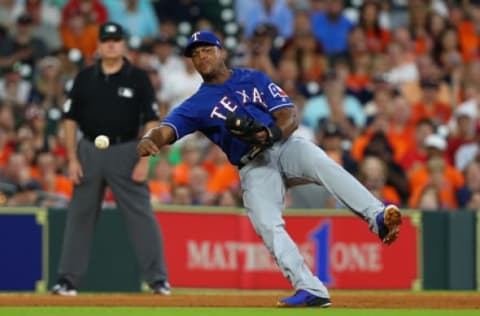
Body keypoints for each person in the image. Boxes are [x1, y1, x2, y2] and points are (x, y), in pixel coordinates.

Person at [136, 30, 402, 307]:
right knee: (266, 223)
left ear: (221, 51)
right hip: (253, 164)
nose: (201, 56)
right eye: (195, 53)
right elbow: (166, 129)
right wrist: (150, 139)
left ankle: (378, 217)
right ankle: (311, 289)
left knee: (322, 163)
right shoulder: (196, 104)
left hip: (284, 145)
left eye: (207, 49)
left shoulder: (253, 78)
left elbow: (289, 115)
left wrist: (269, 134)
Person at [51, 22, 170, 296]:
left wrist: (144, 160)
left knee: (141, 216)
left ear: (124, 45)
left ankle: (158, 280)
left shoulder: (138, 77)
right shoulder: (84, 78)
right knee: (79, 216)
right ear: (99, 46)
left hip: (127, 150)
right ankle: (67, 281)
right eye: (107, 40)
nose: (112, 44)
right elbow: (69, 121)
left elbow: (152, 119)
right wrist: (71, 158)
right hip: (88, 151)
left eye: (116, 39)